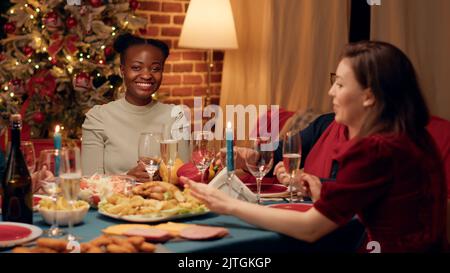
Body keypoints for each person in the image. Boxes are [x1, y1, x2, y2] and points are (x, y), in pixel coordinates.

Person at [181, 41, 447, 252]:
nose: (331, 92)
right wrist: (326, 194)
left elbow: (310, 229)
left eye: (340, 84)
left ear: (369, 96)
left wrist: (228, 205)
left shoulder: (375, 148)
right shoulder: (411, 136)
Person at [82, 33, 189, 181]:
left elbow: (185, 176)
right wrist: (127, 178)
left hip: (163, 202)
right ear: (122, 70)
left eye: (155, 69)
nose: (146, 75)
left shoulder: (176, 116)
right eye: (137, 67)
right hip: (113, 203)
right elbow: (89, 181)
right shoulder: (98, 117)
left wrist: (163, 177)